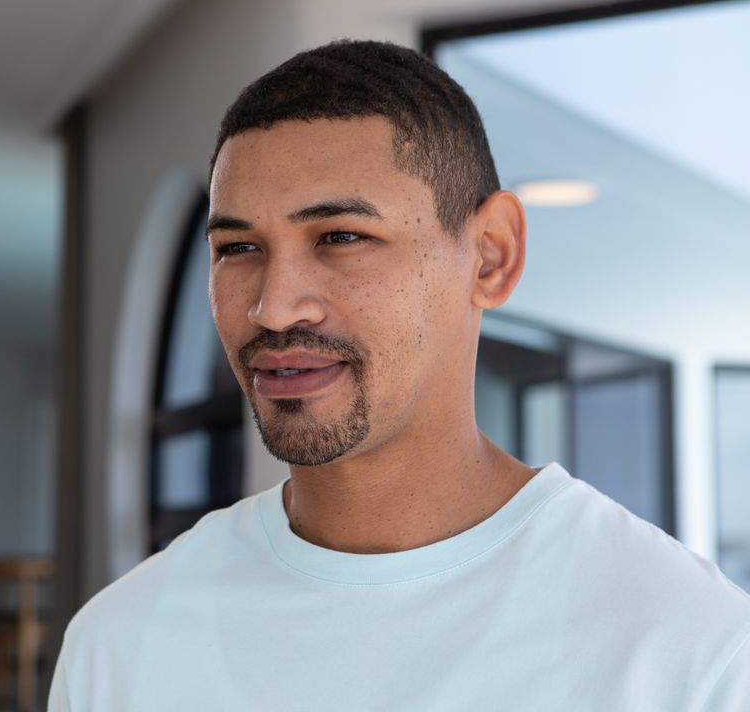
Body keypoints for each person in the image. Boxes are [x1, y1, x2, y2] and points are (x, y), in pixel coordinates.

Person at [49, 40, 750, 710]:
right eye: (238, 247)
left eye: (341, 237)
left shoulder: (690, 649)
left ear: (490, 258)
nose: (273, 306)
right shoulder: (121, 645)